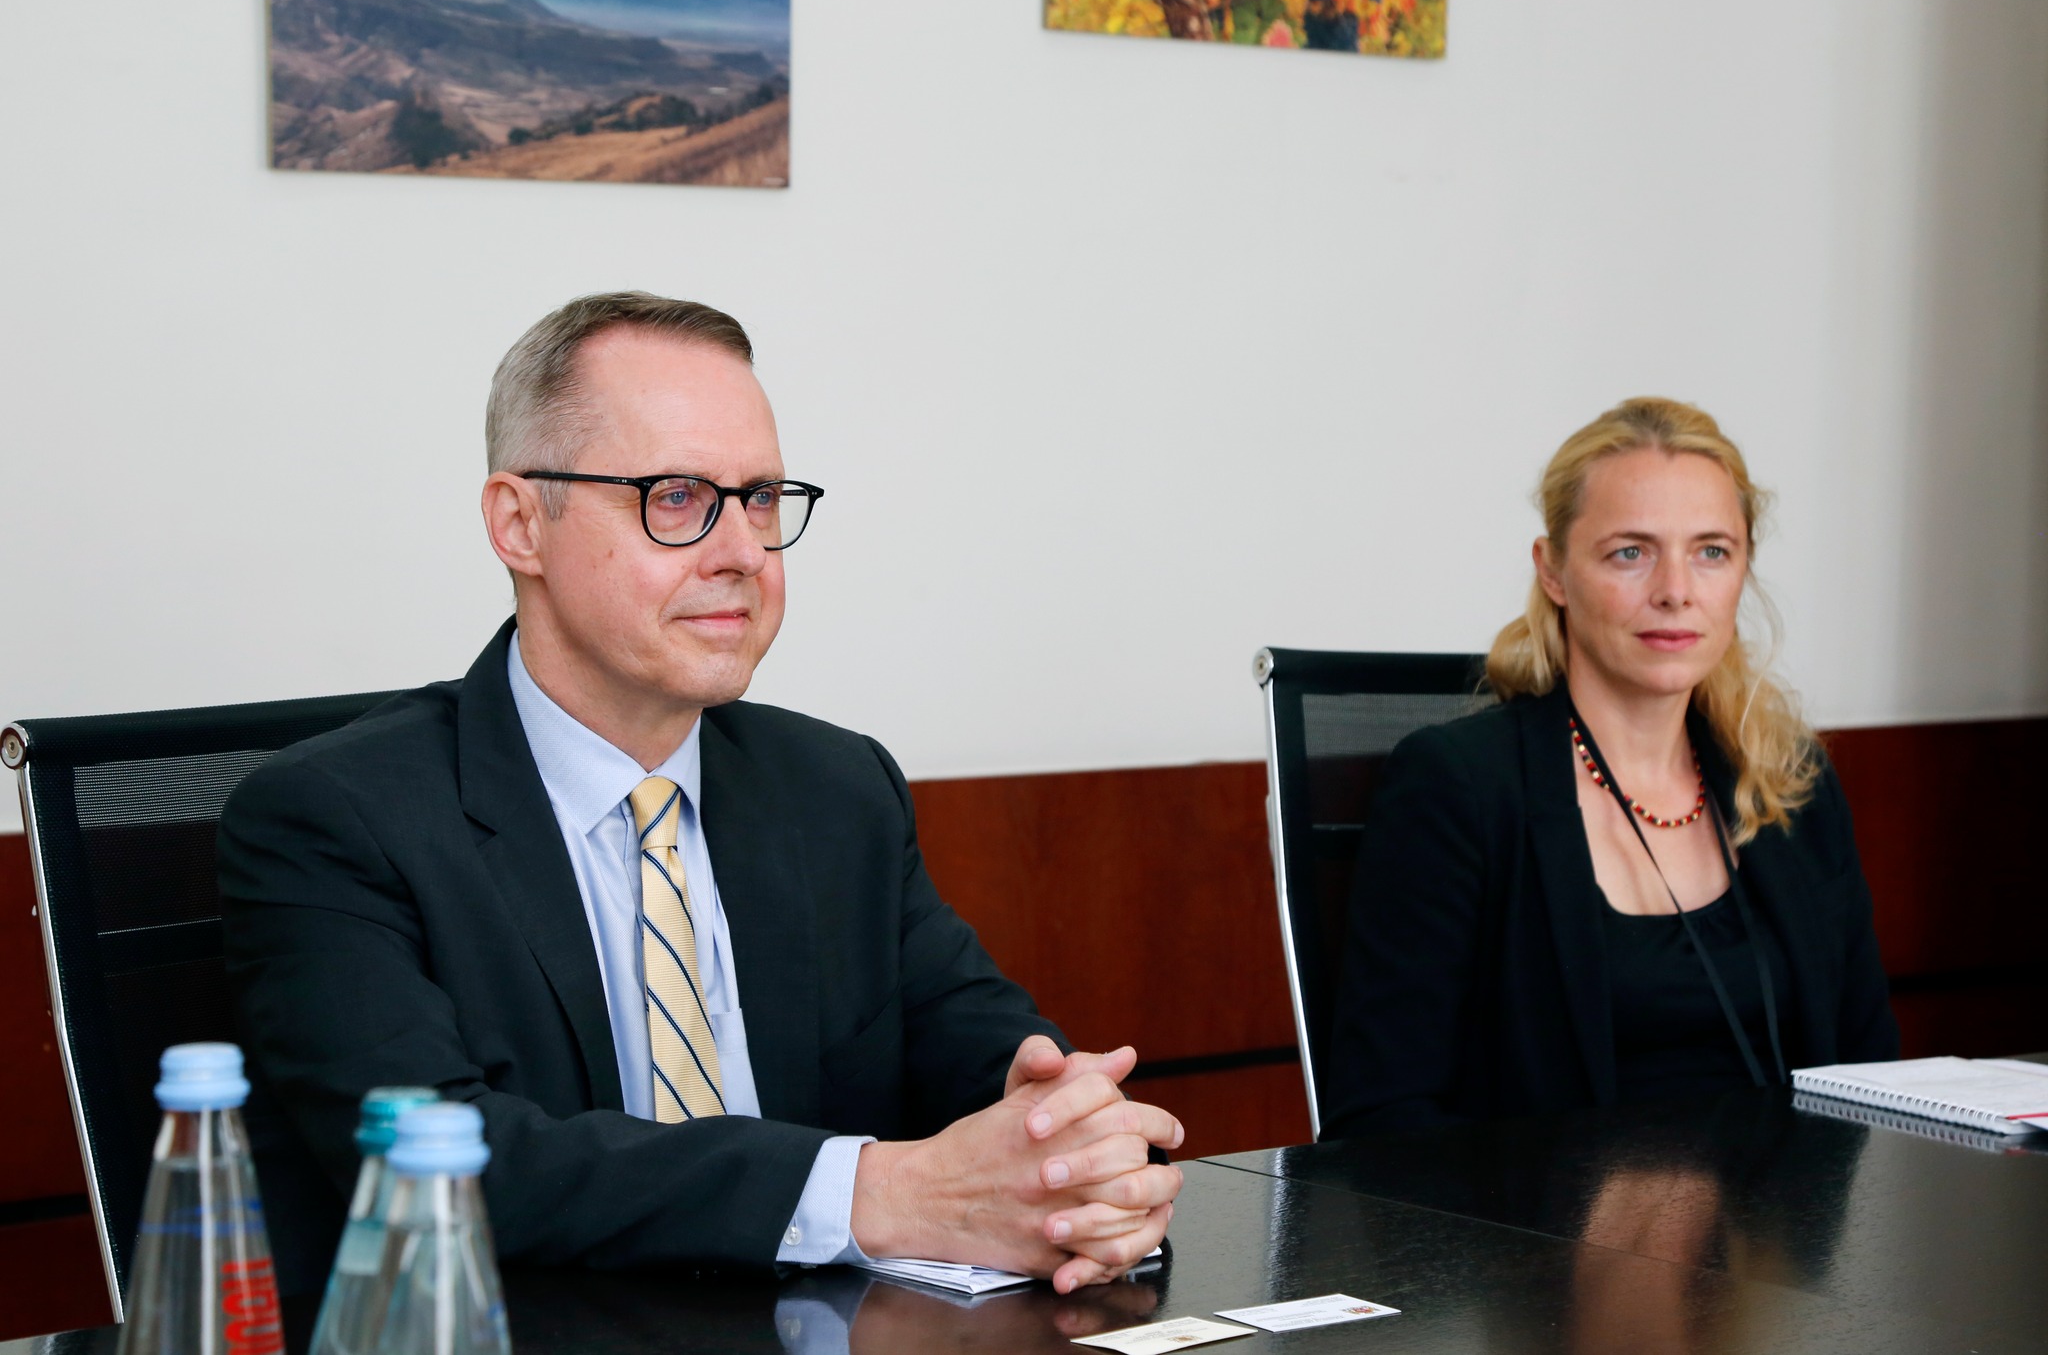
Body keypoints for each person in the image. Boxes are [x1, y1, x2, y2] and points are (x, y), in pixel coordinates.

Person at [218, 292, 1182, 1295]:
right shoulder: (331, 820)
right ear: (519, 523)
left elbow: (990, 1055)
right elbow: (443, 1167)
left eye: (759, 498)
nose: (742, 553)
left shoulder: (837, 789)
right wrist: (874, 1192)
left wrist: (1073, 1147)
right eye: (675, 497)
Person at [1322, 397, 1898, 1135]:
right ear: (1554, 572)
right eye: (1631, 552)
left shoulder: (1789, 781)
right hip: (1548, 1209)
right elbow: (1381, 1118)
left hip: (1786, 1209)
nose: (1676, 591)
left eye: (1712, 551)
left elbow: (1873, 1076)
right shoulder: (1458, 786)